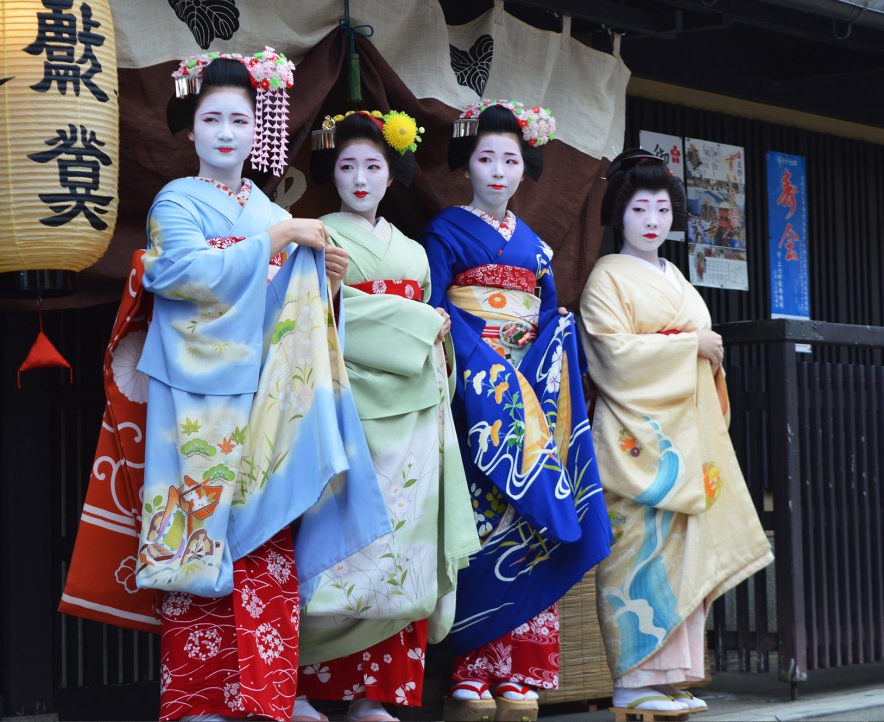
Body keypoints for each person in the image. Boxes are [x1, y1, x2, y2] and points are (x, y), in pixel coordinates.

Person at [61, 51, 392, 722]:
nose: (225, 133)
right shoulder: (176, 201)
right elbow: (178, 274)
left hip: (262, 397)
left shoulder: (267, 208)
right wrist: (277, 240)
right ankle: (198, 702)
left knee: (264, 535)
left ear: (256, 130)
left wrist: (319, 285)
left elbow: (279, 310)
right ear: (190, 129)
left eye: (240, 120)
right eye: (211, 119)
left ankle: (268, 695)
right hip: (194, 396)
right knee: (196, 536)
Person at [419, 100, 611, 722]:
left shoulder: (536, 247)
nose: (498, 170)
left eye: (509, 159)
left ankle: (522, 670)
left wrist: (555, 333)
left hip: (530, 398)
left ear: (525, 167)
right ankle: (472, 669)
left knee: (531, 520)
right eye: (486, 158)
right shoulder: (445, 231)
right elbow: (435, 308)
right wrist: (485, 367)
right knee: (481, 519)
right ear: (465, 165)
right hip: (478, 397)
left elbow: (547, 316)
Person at [291, 110, 479, 722]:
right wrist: (420, 321)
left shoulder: (414, 250)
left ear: (392, 174)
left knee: (406, 545)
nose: (360, 178)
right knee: (340, 542)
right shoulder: (318, 233)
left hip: (415, 410)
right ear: (332, 172)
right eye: (347, 166)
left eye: (373, 166)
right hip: (348, 399)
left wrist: (434, 332)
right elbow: (308, 312)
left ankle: (373, 697)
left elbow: (427, 328)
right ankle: (302, 688)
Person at [579, 149, 774, 716]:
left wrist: (704, 354)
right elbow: (612, 357)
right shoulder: (606, 277)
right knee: (637, 552)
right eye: (640, 208)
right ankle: (631, 682)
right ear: (619, 213)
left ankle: (670, 676)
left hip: (687, 438)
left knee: (684, 555)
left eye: (662, 210)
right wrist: (693, 346)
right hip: (637, 439)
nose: (652, 220)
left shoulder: (676, 277)